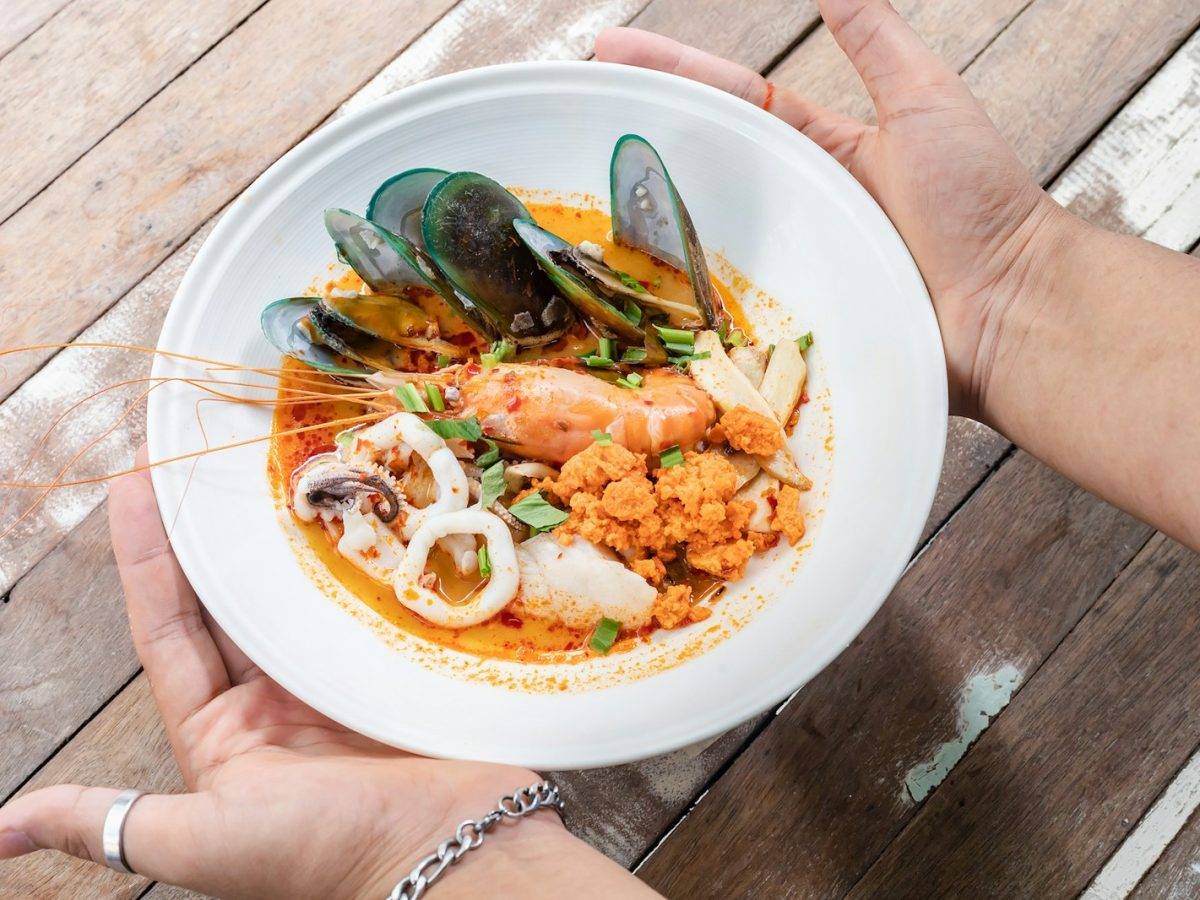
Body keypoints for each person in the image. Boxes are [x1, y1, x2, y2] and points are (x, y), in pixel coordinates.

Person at [2, 0, 1198, 895]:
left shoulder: (658, 432)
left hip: (684, 444)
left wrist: (1007, 286)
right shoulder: (475, 398)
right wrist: (1009, 287)